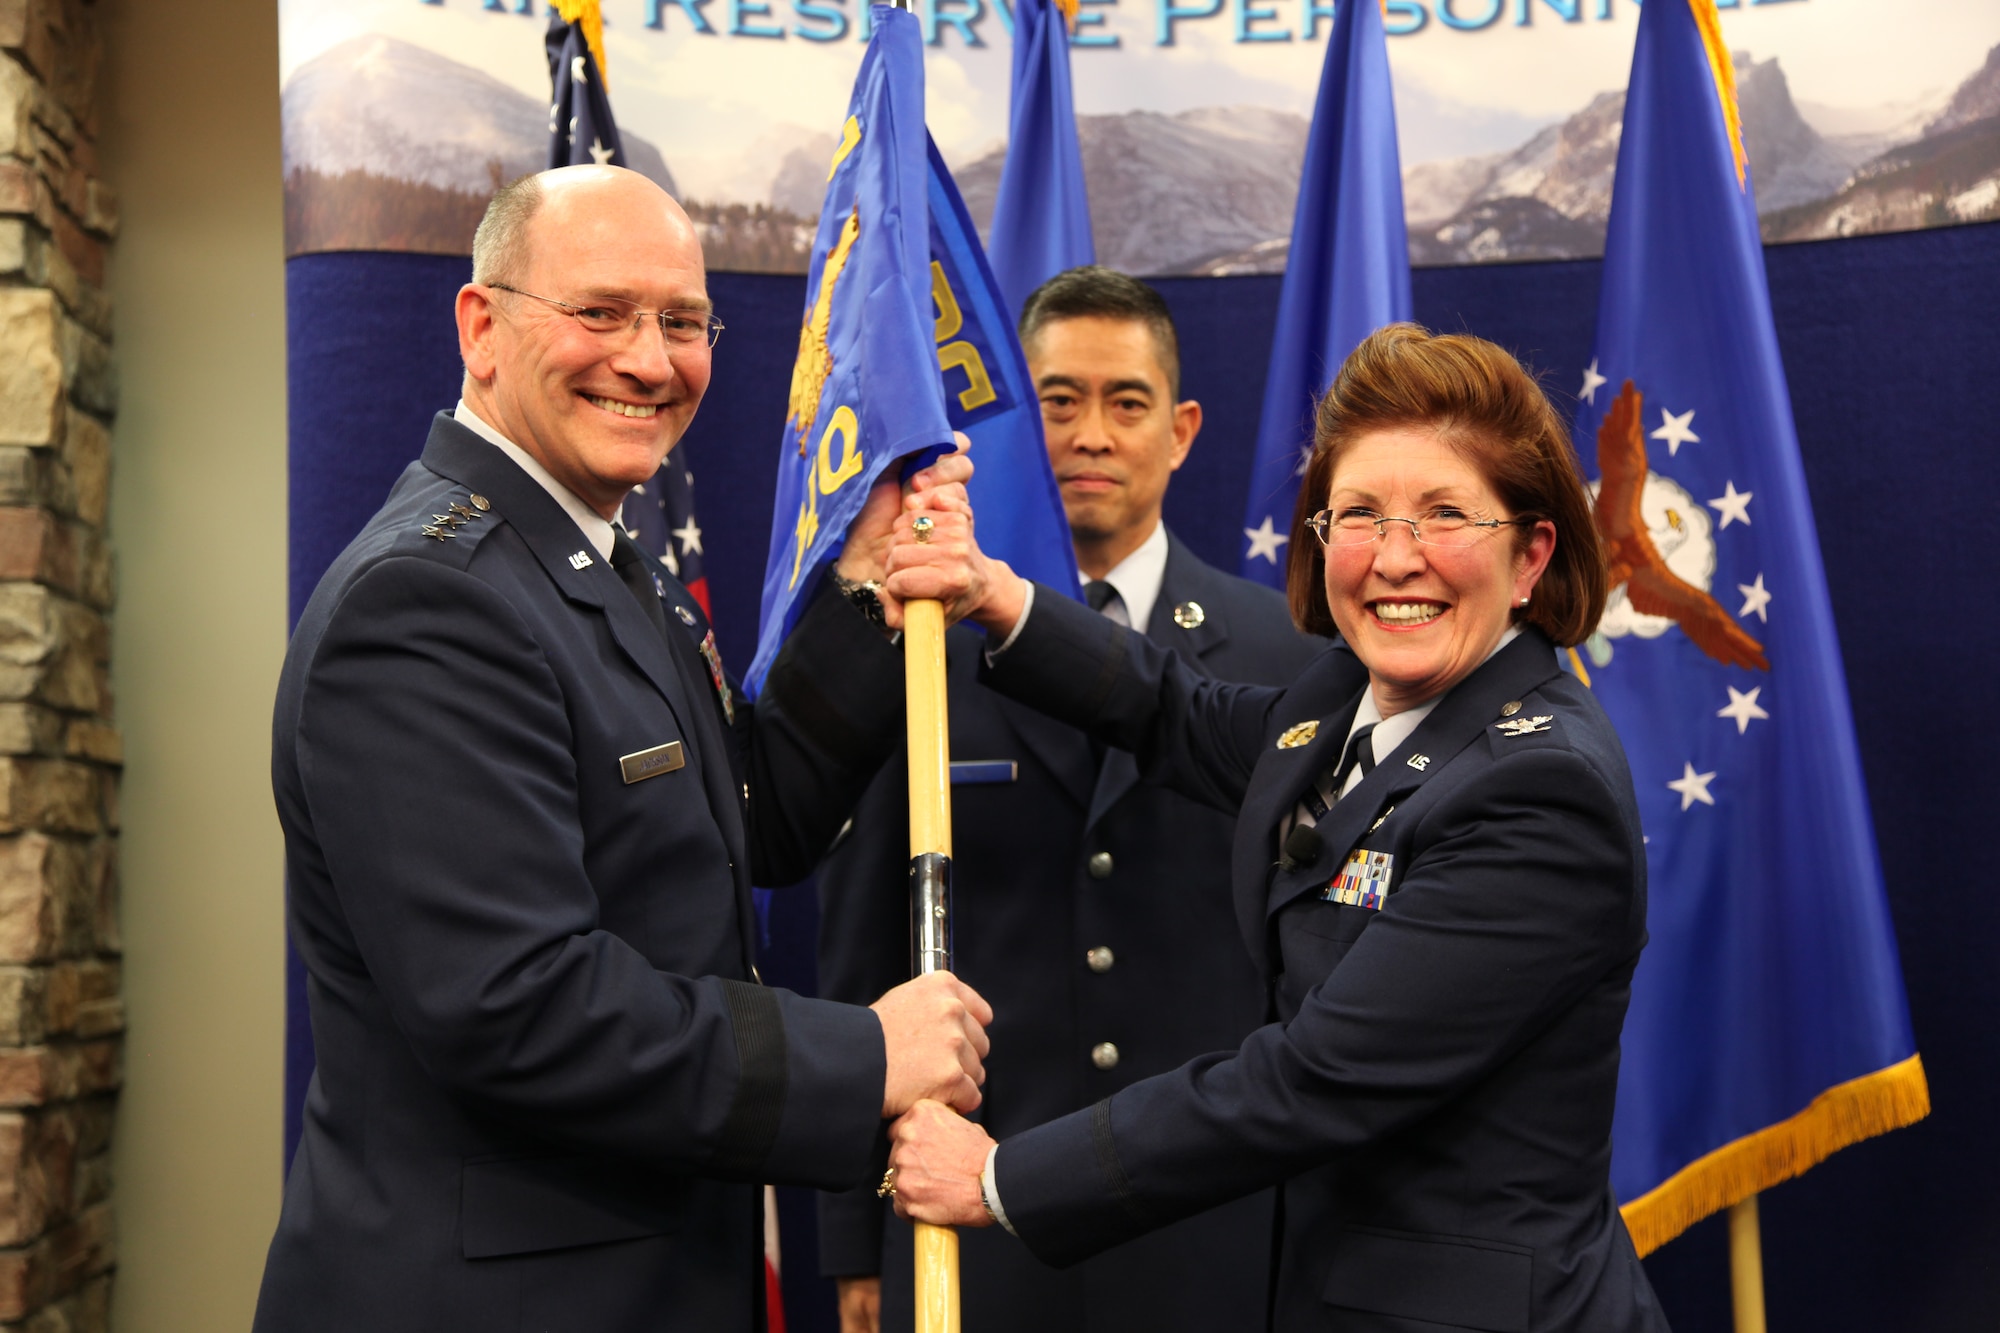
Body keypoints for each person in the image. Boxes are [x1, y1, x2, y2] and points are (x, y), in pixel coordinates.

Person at [253, 165, 995, 1333]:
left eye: (683, 322)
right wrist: (864, 1056)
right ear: (481, 327)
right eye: (600, 312)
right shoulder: (428, 602)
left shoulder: (590, 562)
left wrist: (860, 589)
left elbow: (745, 814)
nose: (650, 360)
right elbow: (521, 1006)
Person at [881, 324, 1671, 1332]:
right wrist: (1000, 599)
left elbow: (1311, 1078)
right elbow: (1178, 711)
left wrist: (1000, 1176)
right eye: (1358, 515)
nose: (1394, 558)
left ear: (1528, 556)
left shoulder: (1536, 790)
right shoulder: (1352, 693)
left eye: (1442, 515)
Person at [815, 267, 1343, 1333]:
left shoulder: (1290, 653)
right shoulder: (924, 645)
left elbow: (1316, 967)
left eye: (1125, 401)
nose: (1090, 433)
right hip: (976, 1231)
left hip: (1215, 1228)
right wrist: (850, 1239)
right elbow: (859, 953)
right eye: (1057, 401)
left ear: (1182, 429)